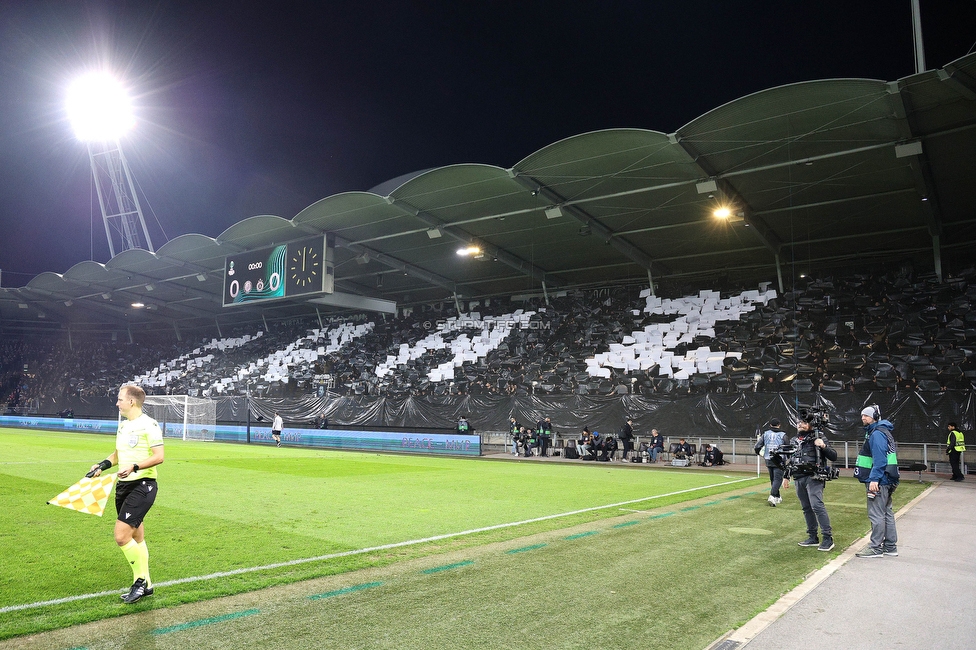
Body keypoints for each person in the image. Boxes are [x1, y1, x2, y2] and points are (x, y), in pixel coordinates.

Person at [88, 384, 164, 604]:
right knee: (136, 536)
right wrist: (102, 465)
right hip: (124, 486)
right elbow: (118, 454)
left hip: (143, 484)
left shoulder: (149, 425)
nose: (117, 403)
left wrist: (135, 467)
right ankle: (147, 584)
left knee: (121, 536)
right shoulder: (123, 426)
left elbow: (159, 456)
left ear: (131, 401)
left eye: (120, 399)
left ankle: (139, 582)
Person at [854, 405, 900, 558]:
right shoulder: (882, 431)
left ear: (874, 416)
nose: (863, 418)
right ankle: (890, 546)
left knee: (876, 514)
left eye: (866, 416)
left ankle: (875, 547)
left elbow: (879, 459)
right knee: (886, 513)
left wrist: (874, 479)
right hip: (887, 479)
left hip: (880, 480)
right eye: (862, 416)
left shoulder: (876, 434)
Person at [790, 417, 838, 552]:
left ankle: (827, 538)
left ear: (810, 425)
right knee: (806, 507)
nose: (800, 425)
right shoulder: (794, 440)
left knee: (817, 505)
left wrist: (823, 445)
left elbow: (833, 456)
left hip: (814, 477)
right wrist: (786, 476)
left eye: (804, 423)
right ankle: (812, 536)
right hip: (799, 476)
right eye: (799, 423)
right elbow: (791, 458)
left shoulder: (819, 437)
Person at [755, 418, 789, 507]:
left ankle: (777, 496)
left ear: (770, 425)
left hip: (768, 458)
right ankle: (772, 496)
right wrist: (788, 458)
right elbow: (788, 447)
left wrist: (759, 453)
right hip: (779, 459)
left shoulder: (765, 434)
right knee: (778, 479)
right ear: (779, 425)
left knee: (773, 478)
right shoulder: (783, 435)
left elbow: (757, 446)